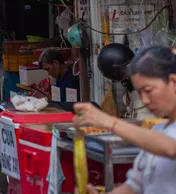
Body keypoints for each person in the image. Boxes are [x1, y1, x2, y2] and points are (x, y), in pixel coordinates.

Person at [74, 46, 176, 194]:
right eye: (140, 92)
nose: (144, 100)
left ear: (173, 82)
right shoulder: (158, 130)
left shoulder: (162, 139)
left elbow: (171, 148)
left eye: (148, 91)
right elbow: (135, 186)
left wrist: (110, 122)